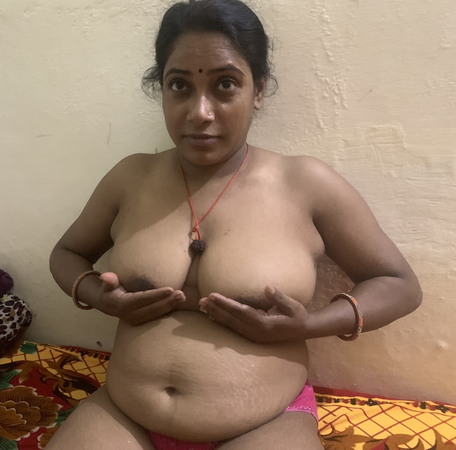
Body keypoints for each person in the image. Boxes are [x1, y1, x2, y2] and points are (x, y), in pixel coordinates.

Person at [47, 0, 422, 448]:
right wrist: (99, 297)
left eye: (225, 85)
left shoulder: (305, 184)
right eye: (179, 86)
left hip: (266, 423)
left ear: (257, 91)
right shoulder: (130, 177)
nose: (200, 112)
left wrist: (309, 325)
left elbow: (399, 284)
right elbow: (66, 254)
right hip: (123, 415)